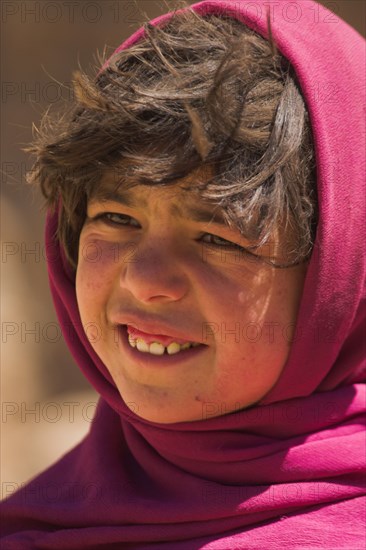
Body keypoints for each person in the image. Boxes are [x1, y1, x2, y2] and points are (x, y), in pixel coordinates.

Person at [1, 0, 365, 547]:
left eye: (217, 238)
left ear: (339, 278)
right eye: (117, 218)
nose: (146, 281)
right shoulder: (39, 526)